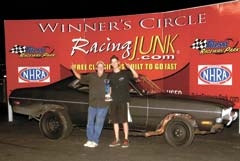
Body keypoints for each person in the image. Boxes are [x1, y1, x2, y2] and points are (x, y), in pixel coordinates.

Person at [71, 61, 109, 148]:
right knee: (90, 123)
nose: (100, 68)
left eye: (102, 66)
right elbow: (80, 77)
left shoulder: (108, 76)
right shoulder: (91, 76)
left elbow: (113, 87)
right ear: (96, 68)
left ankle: (95, 141)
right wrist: (73, 69)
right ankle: (89, 140)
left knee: (98, 124)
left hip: (103, 104)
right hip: (92, 104)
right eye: (98, 66)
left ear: (104, 67)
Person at [108, 55, 139, 148]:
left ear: (118, 62)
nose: (114, 63)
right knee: (115, 121)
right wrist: (108, 98)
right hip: (113, 101)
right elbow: (109, 88)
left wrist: (130, 68)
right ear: (111, 64)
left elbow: (136, 76)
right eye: (112, 62)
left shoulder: (125, 73)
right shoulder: (110, 75)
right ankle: (117, 139)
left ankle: (126, 139)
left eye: (115, 61)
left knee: (124, 120)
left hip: (123, 100)